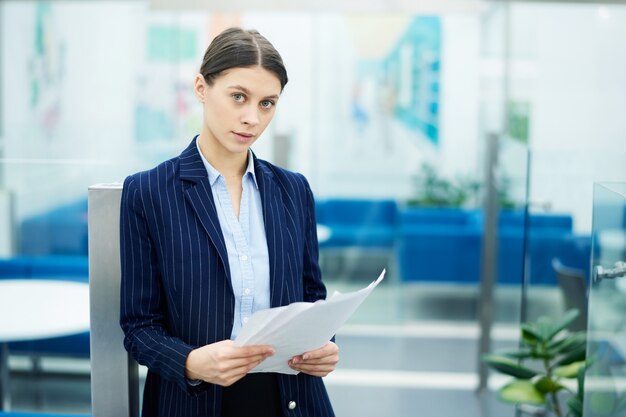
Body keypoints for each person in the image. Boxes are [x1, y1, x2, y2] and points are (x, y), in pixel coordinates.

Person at [119, 27, 338, 417]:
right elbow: (139, 327)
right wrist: (190, 361)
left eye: (267, 103)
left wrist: (324, 345)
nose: (252, 117)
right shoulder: (148, 192)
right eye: (238, 97)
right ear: (202, 88)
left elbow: (312, 297)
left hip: (290, 398)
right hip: (194, 401)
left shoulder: (294, 190)